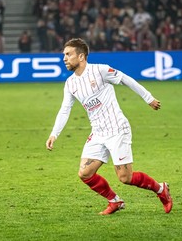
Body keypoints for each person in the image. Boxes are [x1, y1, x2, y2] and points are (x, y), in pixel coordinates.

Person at [45, 38, 172, 215]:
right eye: (64, 55)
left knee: (125, 178)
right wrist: (54, 134)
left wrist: (148, 98)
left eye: (68, 54)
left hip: (117, 129)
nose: (64, 58)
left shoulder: (100, 70)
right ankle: (115, 201)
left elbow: (126, 79)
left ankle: (161, 189)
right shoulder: (70, 83)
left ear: (81, 56)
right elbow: (65, 109)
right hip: (98, 132)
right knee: (85, 173)